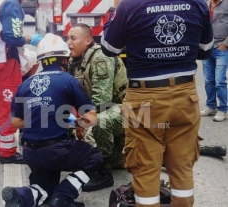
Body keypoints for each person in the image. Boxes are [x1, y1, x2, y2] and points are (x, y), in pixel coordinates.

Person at [101, 0, 213, 206]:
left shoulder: (130, 6)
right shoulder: (197, 4)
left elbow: (109, 48)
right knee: (182, 167)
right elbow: (205, 50)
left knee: (146, 168)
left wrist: (113, 16)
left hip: (144, 98)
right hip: (184, 96)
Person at [2, 33, 103, 207]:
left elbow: (15, 122)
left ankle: (21, 196)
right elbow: (91, 119)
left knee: (44, 188)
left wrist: (41, 118)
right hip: (57, 151)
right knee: (95, 156)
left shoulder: (25, 84)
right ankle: (63, 196)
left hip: (31, 153)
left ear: (41, 60)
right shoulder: (68, 80)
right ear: (64, 59)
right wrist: (73, 123)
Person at [67, 23, 128, 192]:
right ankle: (105, 158)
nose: (69, 42)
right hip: (102, 109)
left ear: (88, 40)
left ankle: (102, 171)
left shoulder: (101, 57)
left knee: (98, 121)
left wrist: (80, 122)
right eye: (67, 38)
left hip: (123, 108)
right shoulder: (74, 60)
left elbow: (102, 101)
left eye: (73, 38)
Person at [0, 0, 42, 164]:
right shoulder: (10, 4)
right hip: (5, 62)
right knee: (9, 108)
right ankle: (7, 153)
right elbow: (13, 38)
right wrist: (28, 39)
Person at [200, 0, 228, 122]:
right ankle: (211, 107)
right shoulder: (205, 5)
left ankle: (223, 109)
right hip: (207, 48)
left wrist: (225, 44)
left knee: (219, 81)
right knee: (208, 80)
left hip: (221, 48)